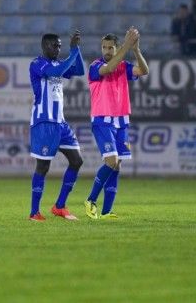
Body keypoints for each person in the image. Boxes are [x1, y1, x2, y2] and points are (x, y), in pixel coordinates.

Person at [84, 29, 149, 219]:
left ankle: (106, 212)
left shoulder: (124, 66)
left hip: (121, 121)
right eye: (104, 47)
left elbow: (144, 71)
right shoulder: (95, 67)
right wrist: (126, 47)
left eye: (110, 47)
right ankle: (90, 200)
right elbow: (109, 68)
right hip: (102, 120)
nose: (107, 51)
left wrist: (136, 50)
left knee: (117, 165)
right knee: (111, 161)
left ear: (115, 48)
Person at [28, 31, 85, 221]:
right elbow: (56, 73)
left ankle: (59, 206)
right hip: (44, 122)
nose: (57, 49)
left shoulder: (58, 64)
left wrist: (76, 49)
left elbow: (79, 71)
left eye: (60, 46)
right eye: (55, 45)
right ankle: (34, 212)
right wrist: (72, 53)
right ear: (45, 46)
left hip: (61, 123)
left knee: (77, 161)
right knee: (43, 167)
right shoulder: (37, 64)